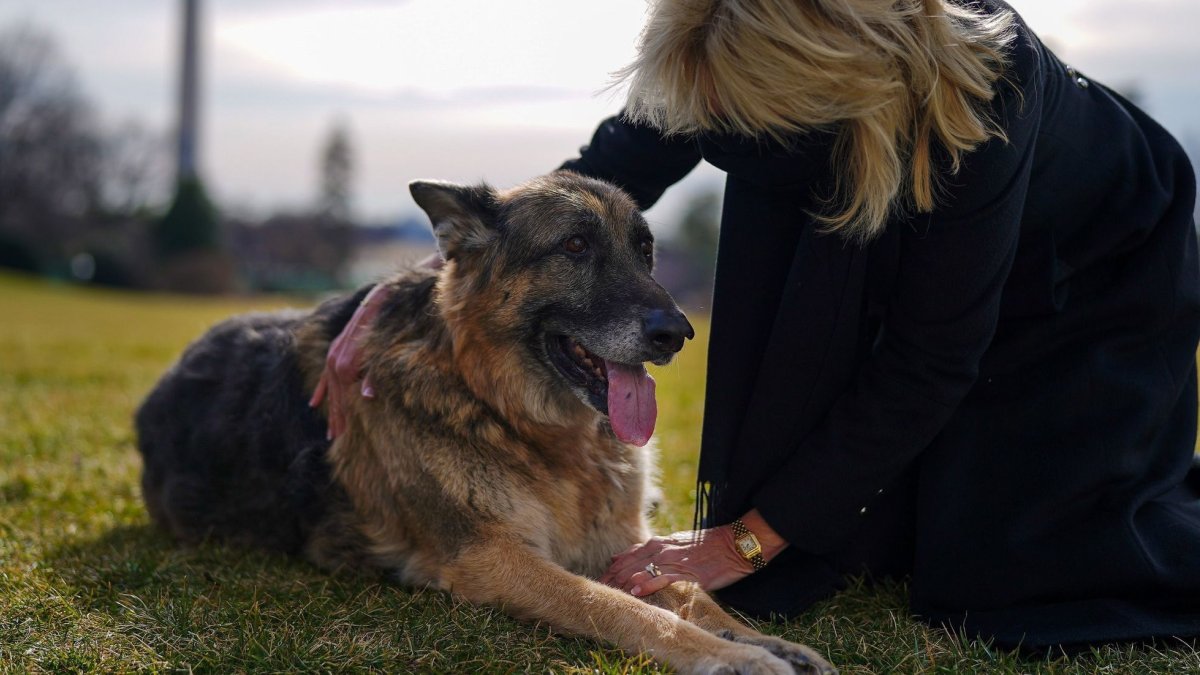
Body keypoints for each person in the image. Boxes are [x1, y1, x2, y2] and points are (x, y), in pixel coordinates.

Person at [314, 0, 1200, 651]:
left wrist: (745, 539)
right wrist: (431, 279)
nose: (717, 126)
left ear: (825, 84)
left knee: (1017, 575)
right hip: (905, 209)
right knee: (864, 542)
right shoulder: (721, 35)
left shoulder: (983, 98)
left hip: (1091, 264)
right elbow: (599, 173)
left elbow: (932, 353)